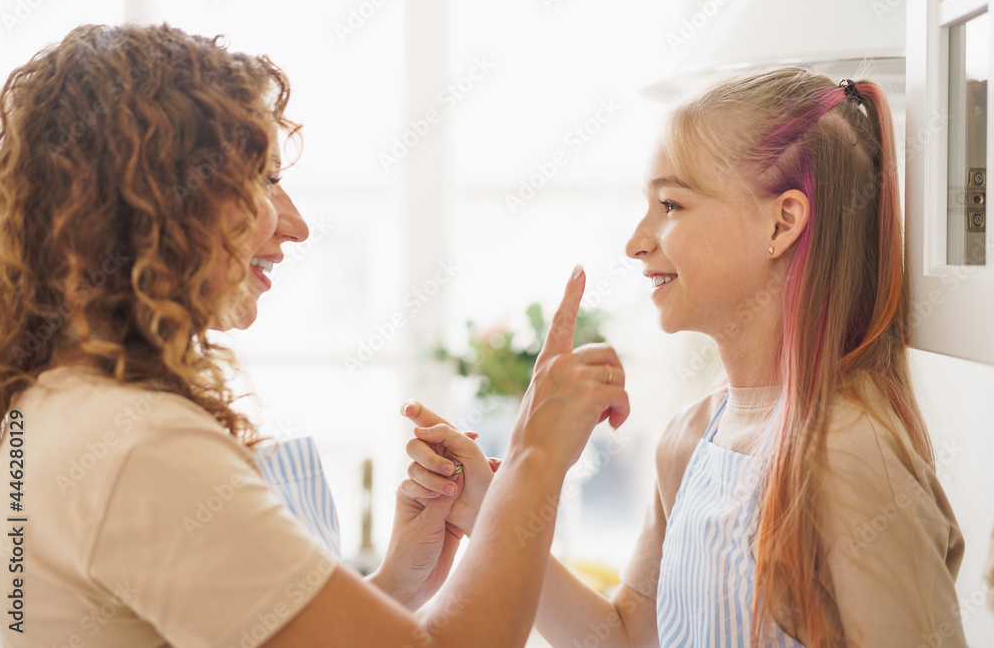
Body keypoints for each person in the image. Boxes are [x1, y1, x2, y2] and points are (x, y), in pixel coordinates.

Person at [0, 23, 630, 647]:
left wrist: (392, 591)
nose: (295, 226)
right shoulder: (140, 446)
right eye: (265, 180)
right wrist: (535, 459)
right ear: (160, 200)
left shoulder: (49, 406)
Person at [402, 68, 967, 647]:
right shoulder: (690, 440)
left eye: (670, 204)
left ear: (782, 222)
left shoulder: (850, 452)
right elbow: (626, 636)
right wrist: (486, 513)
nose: (636, 241)